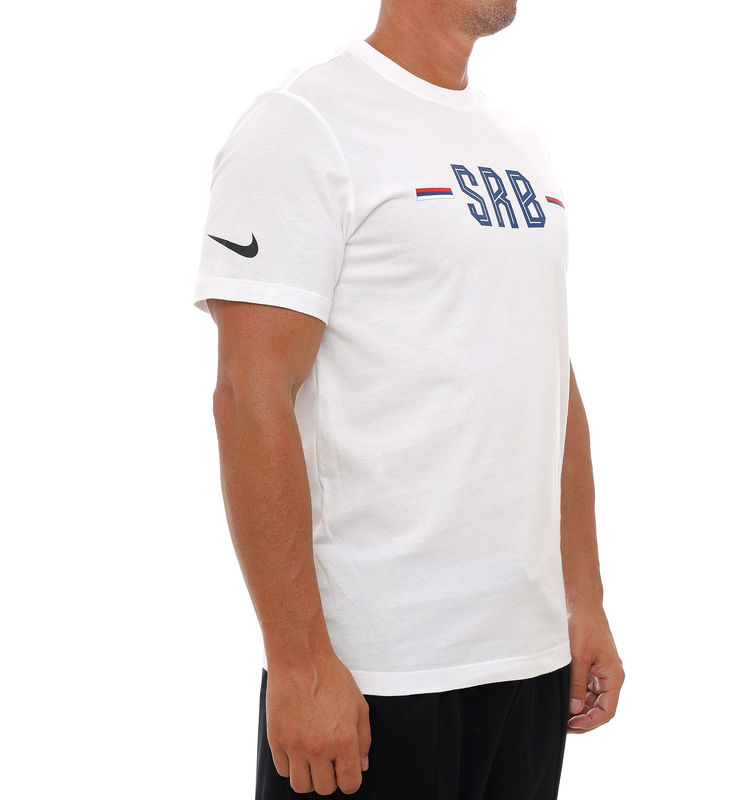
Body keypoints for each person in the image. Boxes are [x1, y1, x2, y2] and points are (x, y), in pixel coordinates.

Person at [192, 1, 624, 797]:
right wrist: (298, 661)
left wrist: (583, 597)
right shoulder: (303, 124)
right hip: (375, 676)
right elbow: (249, 396)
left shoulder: (520, 145)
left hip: (528, 662)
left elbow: (545, 374)